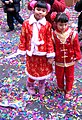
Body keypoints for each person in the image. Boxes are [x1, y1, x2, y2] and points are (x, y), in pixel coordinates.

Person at [16, 0, 55, 95]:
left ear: (46, 12)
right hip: (31, 53)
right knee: (32, 71)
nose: (40, 12)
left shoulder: (47, 25)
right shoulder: (26, 23)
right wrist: (21, 51)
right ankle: (30, 84)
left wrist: (50, 54)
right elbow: (23, 37)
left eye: (43, 10)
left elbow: (49, 39)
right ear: (33, 9)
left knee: (43, 71)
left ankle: (42, 84)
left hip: (43, 53)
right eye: (38, 9)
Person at [51, 12, 81, 99]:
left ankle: (68, 90)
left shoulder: (73, 34)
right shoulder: (53, 34)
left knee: (70, 76)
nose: (63, 27)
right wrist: (51, 56)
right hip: (58, 60)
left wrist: (77, 56)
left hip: (70, 60)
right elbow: (52, 46)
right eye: (60, 25)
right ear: (55, 24)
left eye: (65, 24)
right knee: (59, 75)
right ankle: (60, 87)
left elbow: (76, 46)